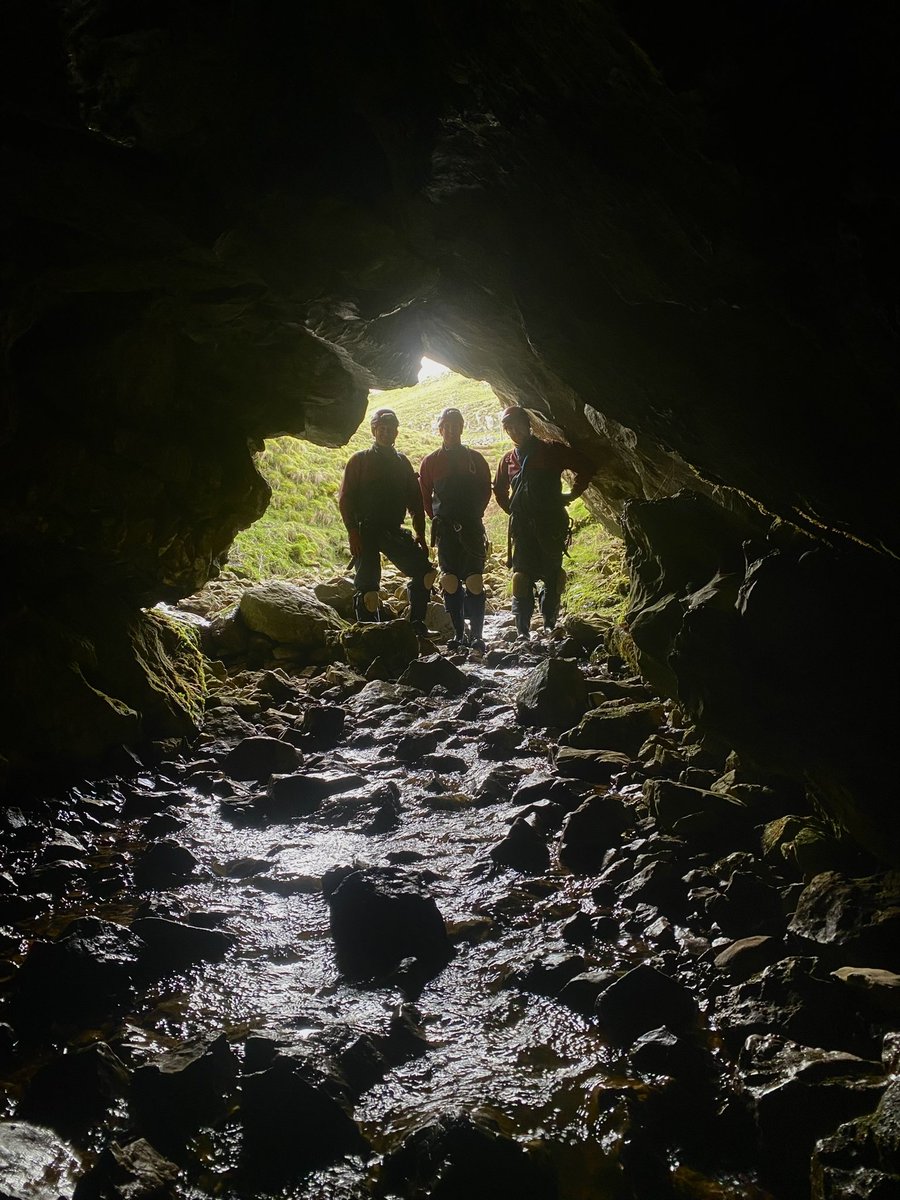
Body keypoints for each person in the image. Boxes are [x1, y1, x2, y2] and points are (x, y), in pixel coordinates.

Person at [493, 405, 594, 638]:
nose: (513, 431)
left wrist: (573, 494)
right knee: (521, 577)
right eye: (508, 428)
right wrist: (514, 510)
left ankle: (549, 623)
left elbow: (586, 467)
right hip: (522, 527)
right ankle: (522, 630)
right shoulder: (507, 460)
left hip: (550, 524)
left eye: (517, 425)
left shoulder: (551, 450)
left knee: (553, 575)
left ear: (528, 424)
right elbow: (499, 489)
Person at [338, 407, 437, 631]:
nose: (386, 432)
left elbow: (415, 502)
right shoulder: (359, 461)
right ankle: (368, 633)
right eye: (381, 429)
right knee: (368, 590)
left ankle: (417, 625)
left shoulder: (402, 463)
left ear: (396, 433)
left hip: (393, 530)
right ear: (374, 431)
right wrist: (352, 531)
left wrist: (420, 533)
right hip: (366, 531)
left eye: (390, 429)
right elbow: (346, 499)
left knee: (425, 573)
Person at [419, 407, 493, 650]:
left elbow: (485, 491)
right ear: (441, 429)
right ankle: (459, 634)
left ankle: (478, 635)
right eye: (447, 426)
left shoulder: (476, 460)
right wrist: (438, 519)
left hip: (472, 527)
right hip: (446, 530)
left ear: (462, 428)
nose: (451, 430)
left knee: (474, 581)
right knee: (449, 581)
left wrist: (474, 515)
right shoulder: (430, 462)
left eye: (456, 425)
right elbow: (425, 497)